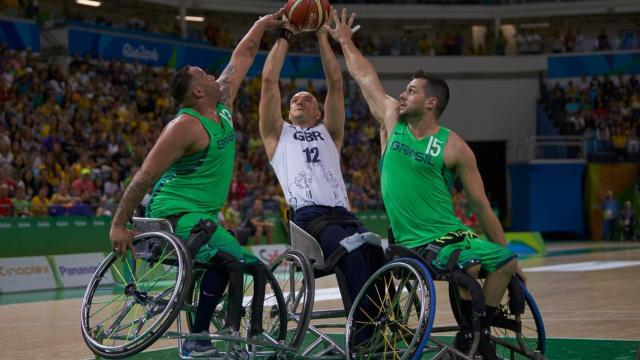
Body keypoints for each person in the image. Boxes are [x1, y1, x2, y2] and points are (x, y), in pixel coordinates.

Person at [325, 8, 525, 359]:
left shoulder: (454, 146)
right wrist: (344, 41)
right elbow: (365, 77)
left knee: (505, 261)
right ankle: (475, 335)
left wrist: (506, 254)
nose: (403, 95)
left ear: (431, 102)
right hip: (416, 242)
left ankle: (477, 332)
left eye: (412, 91)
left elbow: (481, 206)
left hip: (454, 233)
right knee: (472, 267)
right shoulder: (392, 122)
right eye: (404, 90)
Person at [108, 9, 284, 358]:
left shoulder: (221, 108)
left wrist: (263, 24)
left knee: (253, 267)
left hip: (201, 219)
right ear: (198, 91)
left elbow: (243, 56)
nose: (213, 75)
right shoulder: (183, 126)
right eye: (204, 74)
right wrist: (118, 223)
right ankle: (232, 339)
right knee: (233, 263)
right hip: (174, 216)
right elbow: (144, 175)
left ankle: (203, 337)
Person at [258, 10, 385, 334]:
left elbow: (337, 84)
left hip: (342, 214)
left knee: (376, 252)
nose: (299, 100)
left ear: (318, 110)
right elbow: (269, 79)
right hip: (309, 218)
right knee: (354, 252)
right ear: (288, 111)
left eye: (307, 99)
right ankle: (363, 333)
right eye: (295, 100)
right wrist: (286, 35)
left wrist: (322, 37)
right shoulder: (277, 134)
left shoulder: (331, 132)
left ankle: (383, 325)